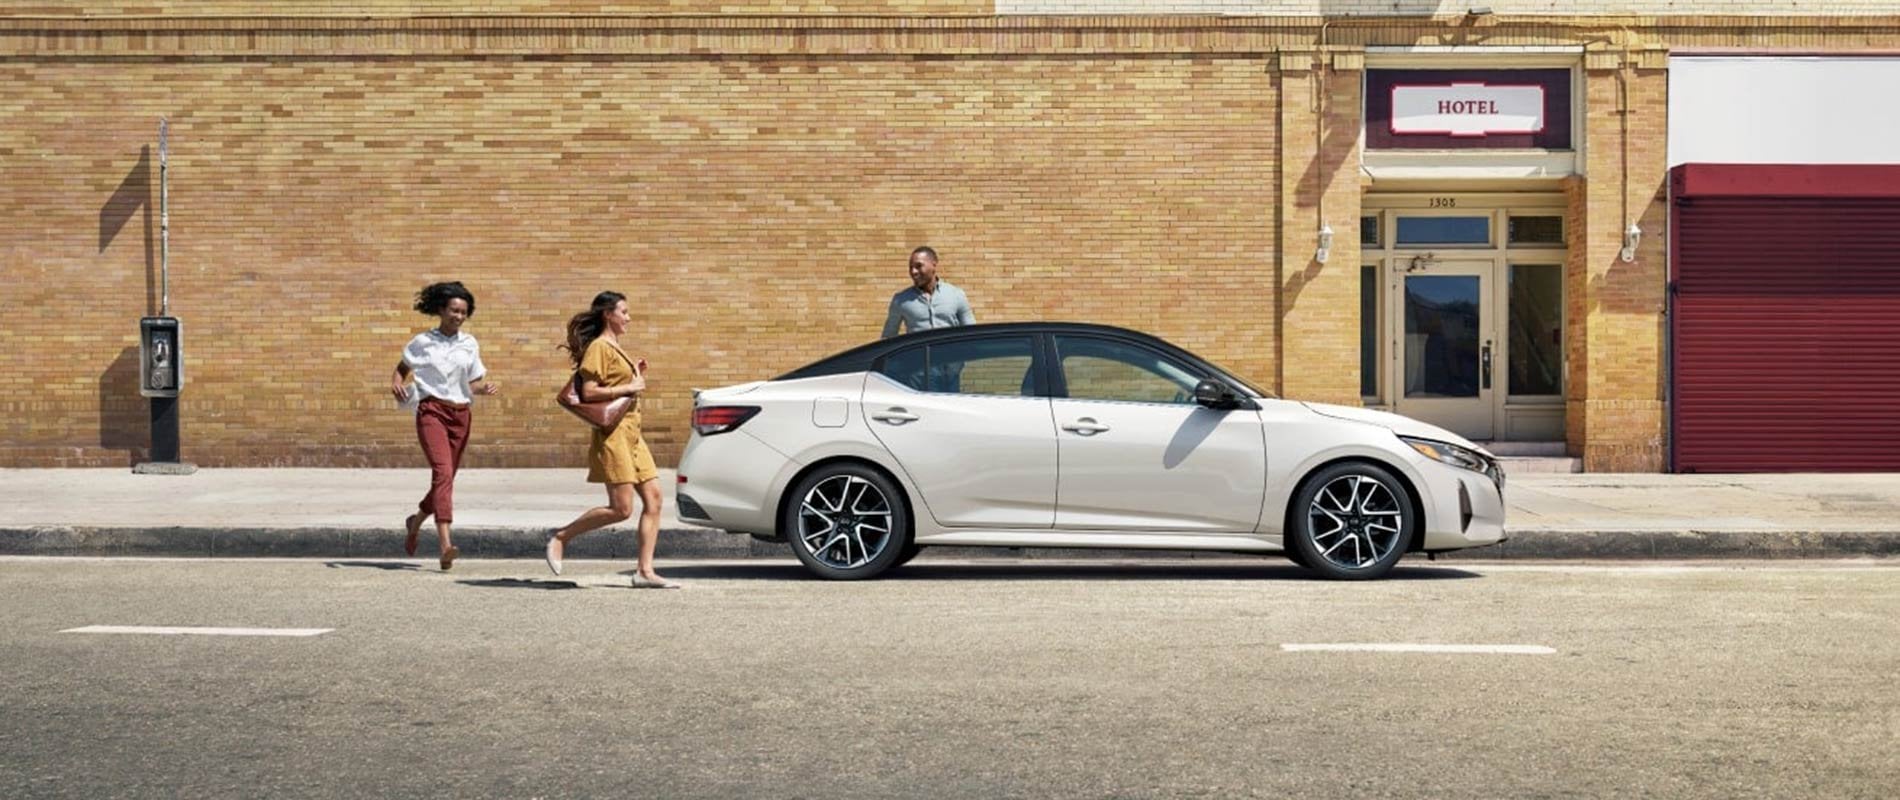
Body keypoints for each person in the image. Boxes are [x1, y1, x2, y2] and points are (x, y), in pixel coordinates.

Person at [544, 291, 678, 589]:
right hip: (614, 436)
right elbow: (589, 392)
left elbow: (614, 384)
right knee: (621, 508)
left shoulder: (616, 348)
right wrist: (630, 385)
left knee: (654, 499)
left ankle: (644, 571)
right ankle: (561, 536)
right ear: (608, 314)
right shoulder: (599, 347)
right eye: (624, 312)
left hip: (633, 435)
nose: (628, 318)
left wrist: (633, 374)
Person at [390, 281, 499, 571]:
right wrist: (397, 383)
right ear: (441, 310)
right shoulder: (423, 342)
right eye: (453, 310)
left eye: (463, 312)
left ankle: (415, 522)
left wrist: (483, 388)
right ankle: (445, 545)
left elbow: (471, 382)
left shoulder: (470, 343)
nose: (458, 316)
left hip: (461, 415)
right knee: (442, 472)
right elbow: (402, 368)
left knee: (446, 477)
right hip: (432, 411)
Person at [880, 246, 975, 338]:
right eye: (911, 267)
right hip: (918, 353)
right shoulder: (900, 300)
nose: (913, 271)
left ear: (934, 265)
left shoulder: (956, 295)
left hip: (950, 353)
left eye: (918, 266)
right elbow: (888, 337)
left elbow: (971, 333)